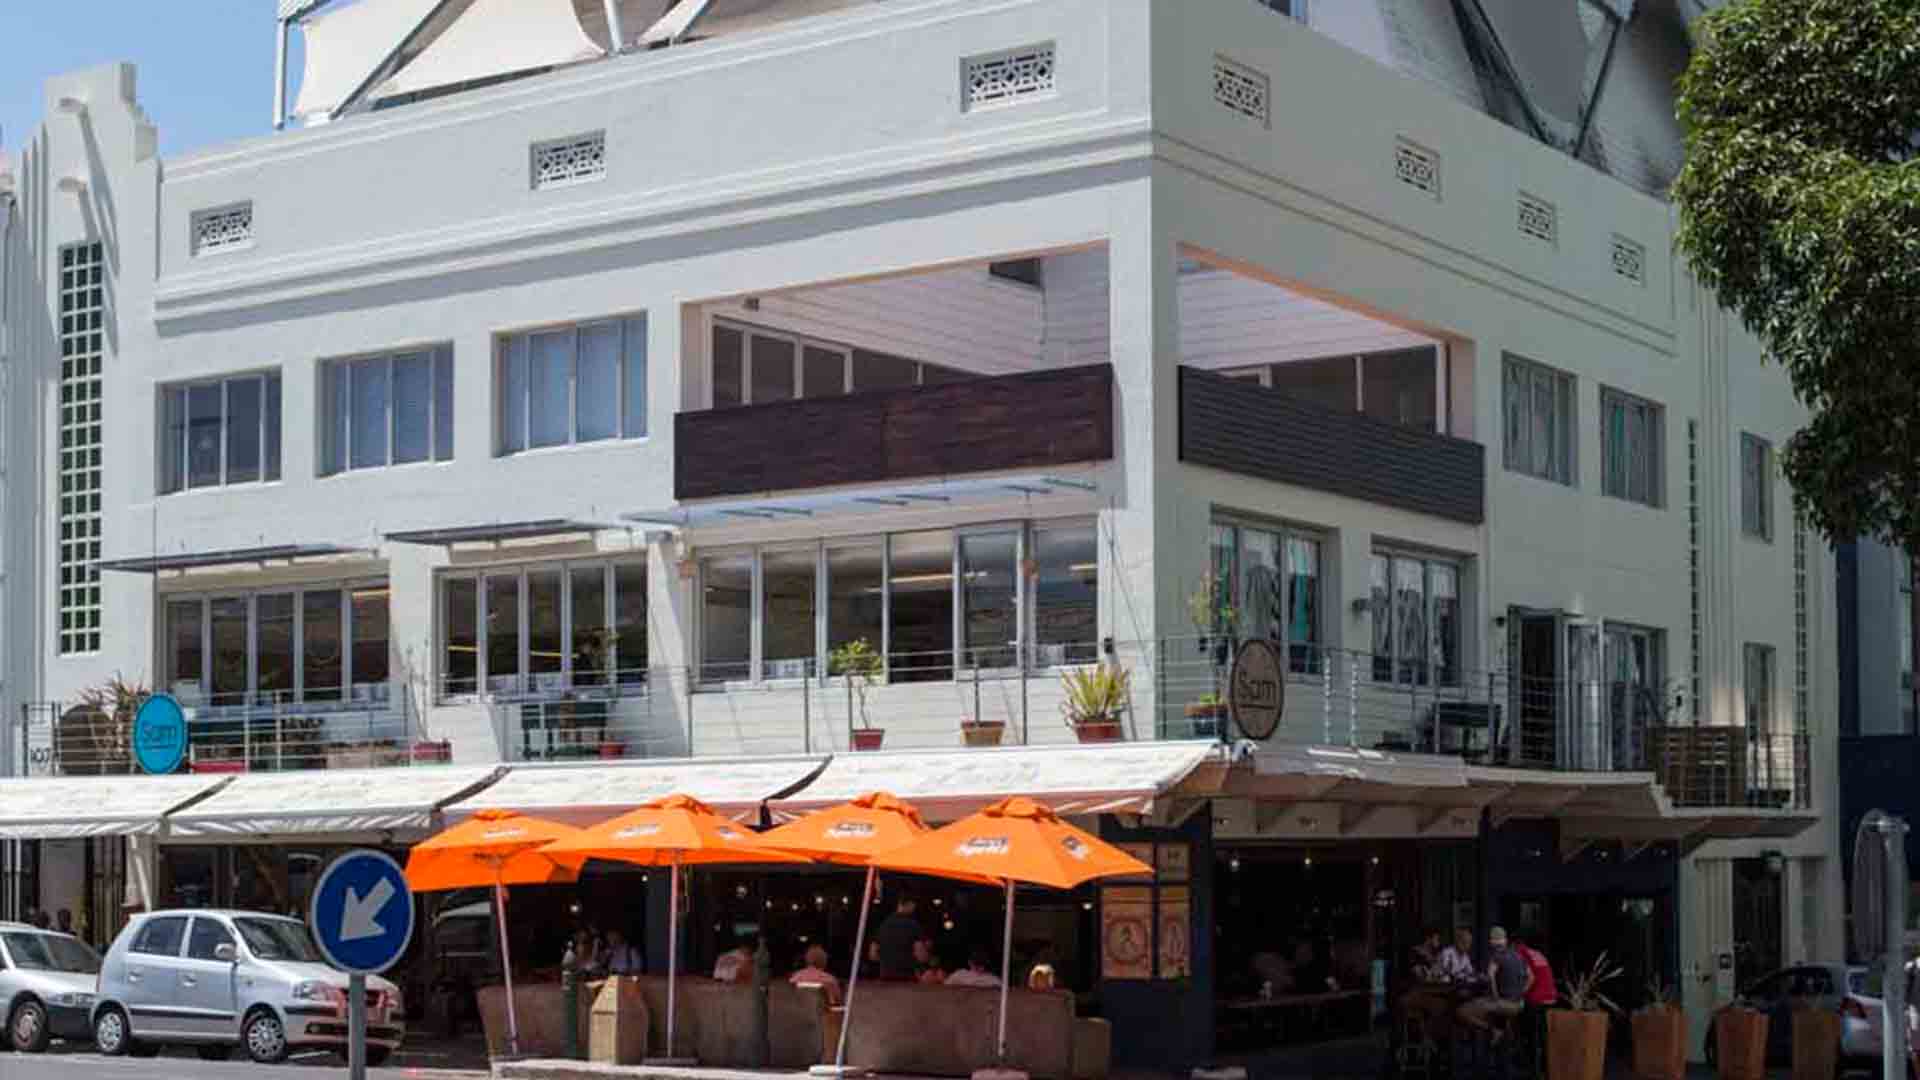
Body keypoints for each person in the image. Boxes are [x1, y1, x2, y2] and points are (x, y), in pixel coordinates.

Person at [1458, 927, 1530, 1037]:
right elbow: (1530, 977)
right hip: (1519, 1004)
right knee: (1483, 1007)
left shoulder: (1497, 956)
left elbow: (1491, 976)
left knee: (1462, 1012)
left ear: (1493, 942)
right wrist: (1520, 993)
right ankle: (1499, 1034)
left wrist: (1495, 996)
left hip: (1503, 1003)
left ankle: (1493, 1031)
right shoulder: (1518, 956)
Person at [872, 893, 925, 981]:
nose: (914, 909)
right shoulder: (913, 925)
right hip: (907, 977)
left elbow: (873, 954)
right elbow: (920, 955)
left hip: (885, 976)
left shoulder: (883, 925)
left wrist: (887, 960)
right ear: (910, 904)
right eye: (914, 906)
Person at [1514, 934, 1556, 1008]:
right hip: (1551, 997)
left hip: (1537, 999)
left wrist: (1518, 994)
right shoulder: (1536, 953)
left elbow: (1531, 978)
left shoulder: (1520, 952)